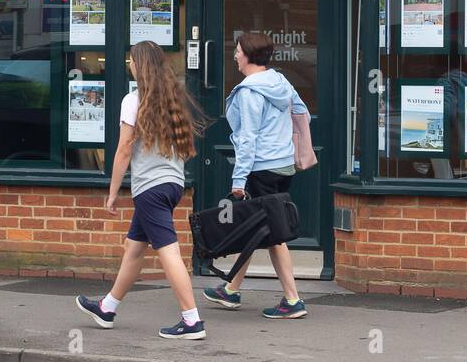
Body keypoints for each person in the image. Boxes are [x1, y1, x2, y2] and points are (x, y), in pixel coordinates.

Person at [77, 41, 208, 339]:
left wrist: (112, 192)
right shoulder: (171, 99)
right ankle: (107, 308)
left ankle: (192, 321)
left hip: (150, 188)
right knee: (134, 249)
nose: (130, 65)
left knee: (169, 253)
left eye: (132, 61)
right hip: (172, 184)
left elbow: (124, 149)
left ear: (141, 66)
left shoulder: (133, 100)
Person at [202, 30, 309, 319]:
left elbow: (247, 137)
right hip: (283, 164)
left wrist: (239, 180)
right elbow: (302, 112)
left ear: (248, 55)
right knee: (254, 227)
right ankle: (231, 289)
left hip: (261, 167)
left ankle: (293, 300)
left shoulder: (250, 91)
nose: (235, 55)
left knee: (274, 235)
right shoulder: (279, 81)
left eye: (237, 51)